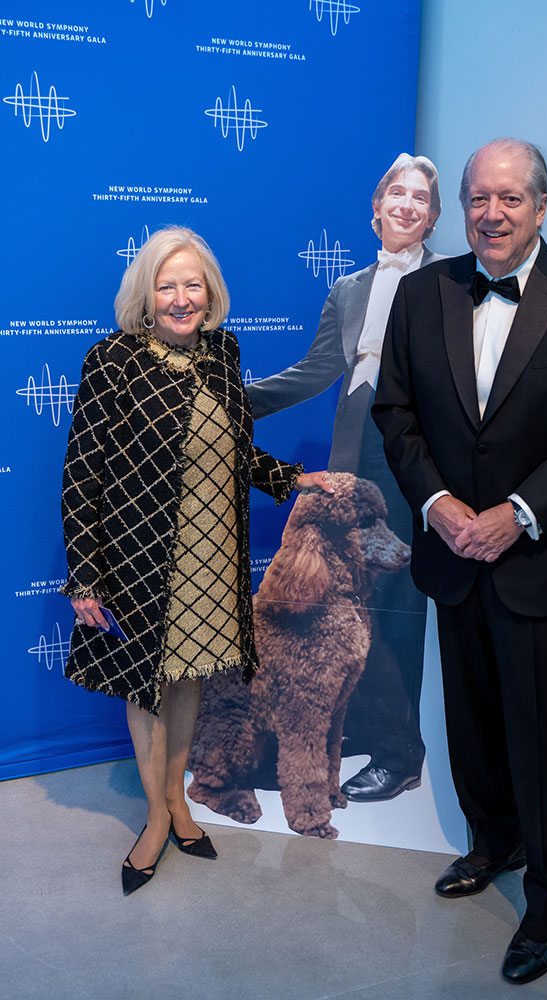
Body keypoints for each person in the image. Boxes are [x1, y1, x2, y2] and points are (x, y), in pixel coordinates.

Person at [372, 139, 547, 983]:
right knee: (472, 719)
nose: (492, 213)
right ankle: (495, 842)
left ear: (541, 205)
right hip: (453, 550)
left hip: (542, 556)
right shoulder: (422, 294)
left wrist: (516, 516)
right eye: (479, 198)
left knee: (540, 733)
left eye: (510, 199)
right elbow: (396, 413)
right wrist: (440, 505)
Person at [61, 226, 330, 896]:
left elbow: (229, 449)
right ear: (146, 294)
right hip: (142, 558)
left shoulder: (223, 352)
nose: (181, 297)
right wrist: (86, 573)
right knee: (147, 687)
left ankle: (178, 801)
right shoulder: (113, 360)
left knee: (187, 680)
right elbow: (81, 474)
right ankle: (156, 816)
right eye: (166, 283)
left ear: (210, 291)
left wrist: (287, 479)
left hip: (213, 555)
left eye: (193, 283)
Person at [246, 154, 443, 802]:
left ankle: (399, 754)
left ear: (433, 216)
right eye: (397, 194)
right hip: (352, 450)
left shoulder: (452, 283)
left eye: (421, 198)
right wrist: (231, 401)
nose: (407, 205)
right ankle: (360, 730)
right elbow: (316, 370)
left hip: (412, 451)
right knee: (346, 603)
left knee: (398, 607)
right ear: (377, 209)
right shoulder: (350, 289)